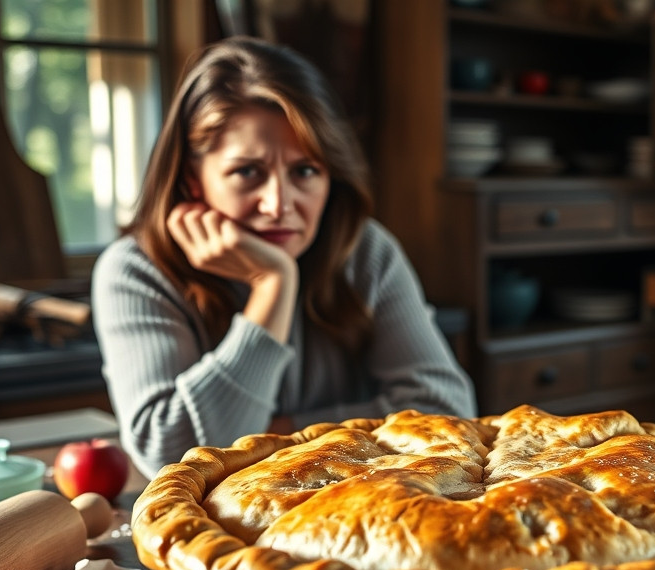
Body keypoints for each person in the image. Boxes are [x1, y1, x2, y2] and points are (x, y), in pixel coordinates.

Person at [93, 37, 476, 478]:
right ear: (193, 178)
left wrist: (275, 438)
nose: (279, 204)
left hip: (362, 513)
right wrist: (272, 284)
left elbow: (449, 413)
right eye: (247, 172)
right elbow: (171, 455)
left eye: (305, 171)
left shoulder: (365, 249)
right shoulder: (135, 271)